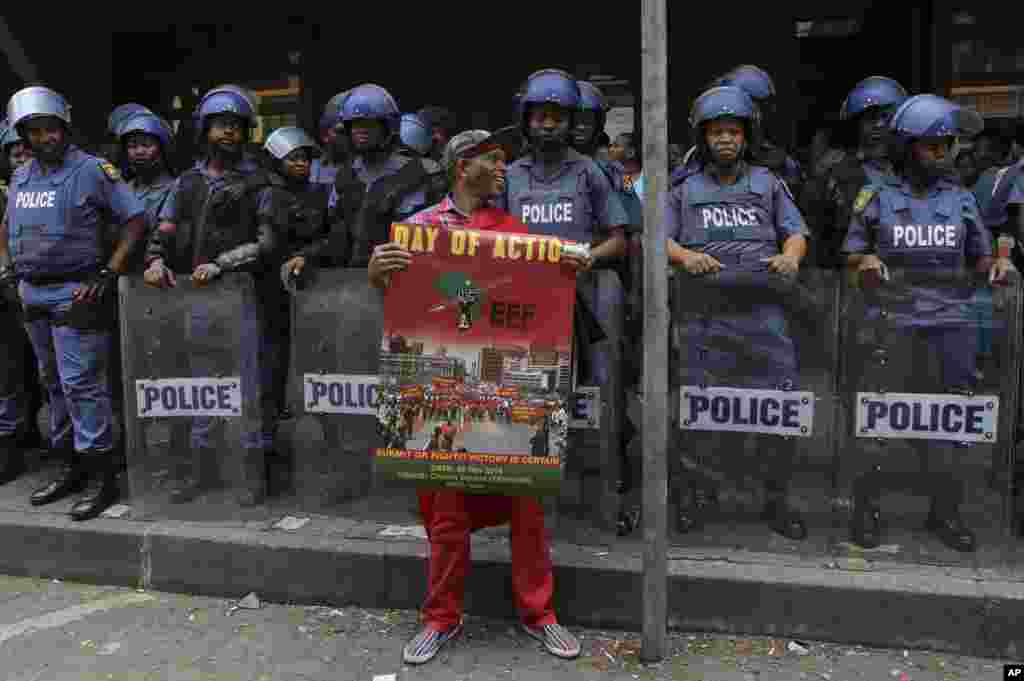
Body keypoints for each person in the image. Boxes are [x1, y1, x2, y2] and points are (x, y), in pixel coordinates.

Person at [368, 127, 582, 665]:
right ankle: (441, 617)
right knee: (446, 513)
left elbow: (531, 296)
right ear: (464, 166)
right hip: (444, 396)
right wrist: (377, 273)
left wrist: (565, 268)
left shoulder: (512, 230)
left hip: (504, 394)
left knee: (527, 504)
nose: (504, 166)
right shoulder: (418, 231)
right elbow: (401, 299)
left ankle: (541, 613)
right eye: (494, 158)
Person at [842, 94, 1011, 552]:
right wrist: (867, 259)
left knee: (949, 424)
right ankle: (867, 510)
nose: (939, 154)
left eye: (945, 146)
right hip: (891, 321)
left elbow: (981, 257)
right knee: (878, 422)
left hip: (951, 324)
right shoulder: (877, 195)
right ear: (906, 147)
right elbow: (852, 254)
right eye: (929, 146)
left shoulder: (960, 200)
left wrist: (996, 265)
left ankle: (945, 513)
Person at [665, 85, 811, 540]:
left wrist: (791, 257)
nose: (725, 139)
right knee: (700, 409)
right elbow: (658, 238)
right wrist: (685, 256)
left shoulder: (769, 183)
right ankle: (698, 496)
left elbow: (796, 232)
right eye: (716, 132)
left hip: (764, 313)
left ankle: (775, 499)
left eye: (733, 132)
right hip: (703, 315)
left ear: (747, 137)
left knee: (777, 408)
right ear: (703, 138)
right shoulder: (683, 189)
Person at [0, 86, 148, 520]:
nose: (44, 138)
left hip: (75, 290)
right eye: (34, 131)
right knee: (52, 383)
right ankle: (70, 468)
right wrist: (8, 270)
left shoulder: (91, 171)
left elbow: (137, 219)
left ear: (64, 128)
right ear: (23, 136)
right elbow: (7, 225)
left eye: (50, 129)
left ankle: (102, 476)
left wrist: (109, 272)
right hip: (31, 291)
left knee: (83, 384)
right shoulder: (24, 175)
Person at [143, 84, 284, 505]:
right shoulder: (187, 182)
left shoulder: (261, 182)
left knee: (247, 389)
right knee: (202, 388)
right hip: (195, 300)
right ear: (205, 130)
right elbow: (164, 230)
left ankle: (252, 474)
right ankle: (202, 471)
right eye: (220, 126)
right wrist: (154, 260)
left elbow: (268, 241)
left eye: (235, 127)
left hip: (244, 299)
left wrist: (223, 263)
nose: (227, 133)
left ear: (246, 133)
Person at [332, 84, 448, 268]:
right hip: (355, 283)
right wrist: (307, 257)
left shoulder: (426, 173)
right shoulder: (345, 176)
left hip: (410, 277)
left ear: (388, 126)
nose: (360, 130)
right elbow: (334, 239)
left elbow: (444, 239)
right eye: (354, 123)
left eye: (370, 123)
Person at [799, 76, 908, 268]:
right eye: (870, 118)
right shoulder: (833, 174)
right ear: (857, 123)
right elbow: (813, 236)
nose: (878, 125)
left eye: (886, 117)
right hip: (849, 283)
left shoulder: (917, 171)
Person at [264, 126, 332, 424]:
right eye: (293, 158)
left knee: (316, 347)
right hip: (272, 283)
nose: (301, 163)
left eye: (305, 158)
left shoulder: (321, 194)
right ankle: (274, 405)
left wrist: (308, 255)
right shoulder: (265, 194)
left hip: (312, 281)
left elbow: (333, 235)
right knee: (274, 350)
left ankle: (316, 409)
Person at [311, 90, 351, 187]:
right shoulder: (309, 171)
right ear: (325, 135)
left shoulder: (364, 168)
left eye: (350, 131)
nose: (348, 137)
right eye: (342, 132)